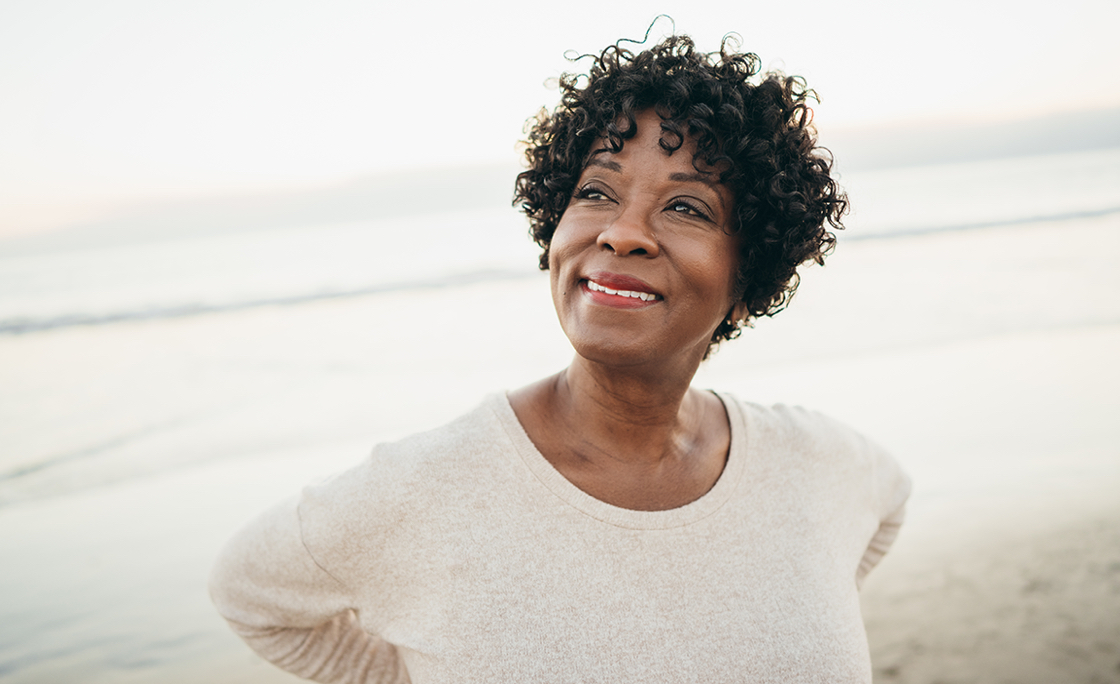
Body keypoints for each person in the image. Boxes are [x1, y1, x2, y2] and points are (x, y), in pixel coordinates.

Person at [209, 31, 910, 684]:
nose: (623, 232)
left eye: (688, 208)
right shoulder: (429, 487)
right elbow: (248, 593)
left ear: (746, 285)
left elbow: (887, 505)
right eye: (597, 191)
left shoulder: (822, 463)